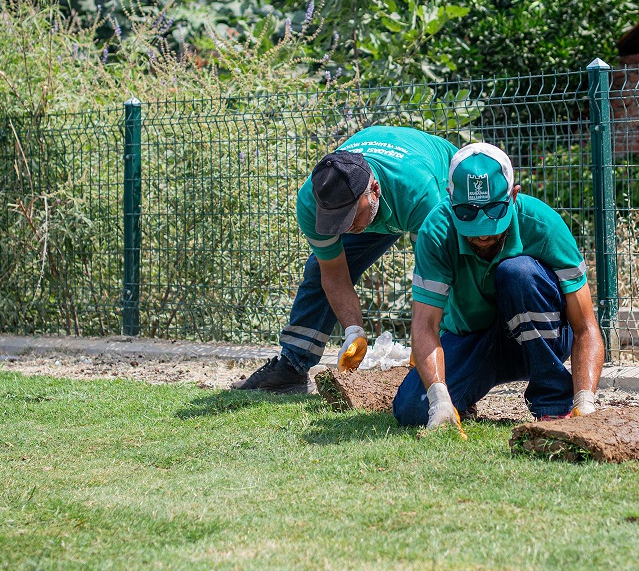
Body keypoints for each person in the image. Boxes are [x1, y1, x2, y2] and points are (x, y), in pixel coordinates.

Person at [392, 142, 604, 431]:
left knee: (518, 273)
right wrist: (440, 398)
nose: (481, 236)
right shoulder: (436, 232)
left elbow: (585, 326)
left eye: (493, 214)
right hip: (473, 339)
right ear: (451, 200)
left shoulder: (544, 226)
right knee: (413, 409)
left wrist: (585, 401)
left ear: (513, 196)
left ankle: (554, 403)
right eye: (468, 215)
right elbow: (425, 325)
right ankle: (460, 400)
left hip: (540, 337)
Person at [234, 125, 457, 392]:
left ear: (374, 190)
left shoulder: (420, 193)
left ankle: (453, 366)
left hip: (434, 184)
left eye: (350, 217)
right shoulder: (312, 202)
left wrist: (425, 341)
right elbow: (334, 273)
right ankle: (292, 367)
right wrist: (354, 331)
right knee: (320, 268)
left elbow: (434, 276)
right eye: (334, 221)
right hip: (382, 206)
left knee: (450, 271)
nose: (345, 227)